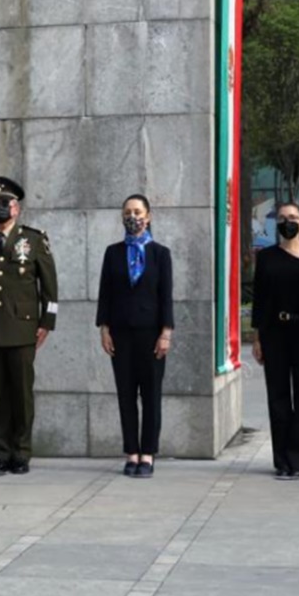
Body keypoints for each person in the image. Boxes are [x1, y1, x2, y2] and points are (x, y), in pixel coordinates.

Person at [0, 176, 58, 476]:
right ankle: (1, 454)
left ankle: (21, 454)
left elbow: (50, 289)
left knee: (21, 395)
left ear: (17, 208)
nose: (1, 208)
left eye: (6, 203)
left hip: (23, 330)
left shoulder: (33, 240)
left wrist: (46, 323)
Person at [96, 194, 174, 478]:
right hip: (120, 334)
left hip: (152, 334)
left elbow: (166, 296)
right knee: (126, 395)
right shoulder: (112, 252)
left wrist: (166, 332)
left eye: (138, 211)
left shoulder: (160, 254)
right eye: (128, 212)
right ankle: (131, 453)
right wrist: (104, 329)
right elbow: (105, 293)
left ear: (148, 216)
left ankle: (148, 454)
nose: (133, 216)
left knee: (151, 395)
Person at [251, 202, 299, 480]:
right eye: (283, 218)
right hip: (274, 333)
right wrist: (257, 337)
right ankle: (282, 458)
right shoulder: (267, 257)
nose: (288, 222)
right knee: (278, 396)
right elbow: (259, 301)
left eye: (293, 217)